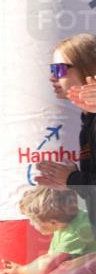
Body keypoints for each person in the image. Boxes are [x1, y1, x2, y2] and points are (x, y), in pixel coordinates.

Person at [36, 33, 96, 234]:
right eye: (52, 69)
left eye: (60, 69)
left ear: (88, 68)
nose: (52, 77)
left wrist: (72, 179)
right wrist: (70, 182)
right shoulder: (88, 119)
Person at [0, 187, 96, 274]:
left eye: (33, 220)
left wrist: (20, 271)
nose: (31, 224)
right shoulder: (68, 224)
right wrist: (27, 271)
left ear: (53, 222)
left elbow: (48, 264)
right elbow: (50, 259)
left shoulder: (77, 230)